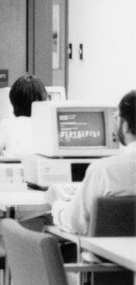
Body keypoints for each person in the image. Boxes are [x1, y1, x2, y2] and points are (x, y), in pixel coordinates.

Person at [46, 90, 136, 235]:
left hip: (103, 250)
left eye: (116, 117)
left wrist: (56, 204)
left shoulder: (104, 170)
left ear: (125, 125)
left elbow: (74, 223)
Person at [0, 74, 47, 159]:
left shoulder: (8, 124)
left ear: (14, 100)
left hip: (18, 167)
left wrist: (3, 154)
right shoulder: (47, 125)